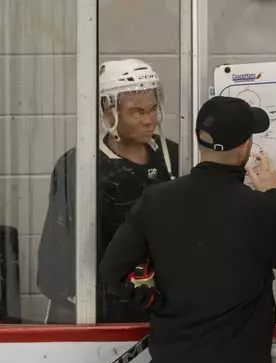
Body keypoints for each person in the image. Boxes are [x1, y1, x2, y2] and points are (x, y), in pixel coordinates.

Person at [99, 96, 276, 363]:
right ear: (246, 147)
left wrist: (153, 301)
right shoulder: (263, 209)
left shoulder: (155, 200)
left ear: (199, 141)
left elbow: (111, 272)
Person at [37, 59, 178, 324]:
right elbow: (60, 245)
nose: (149, 120)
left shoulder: (175, 156)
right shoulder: (79, 165)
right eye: (136, 112)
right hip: (104, 309)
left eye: (152, 109)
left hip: (165, 306)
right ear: (108, 111)